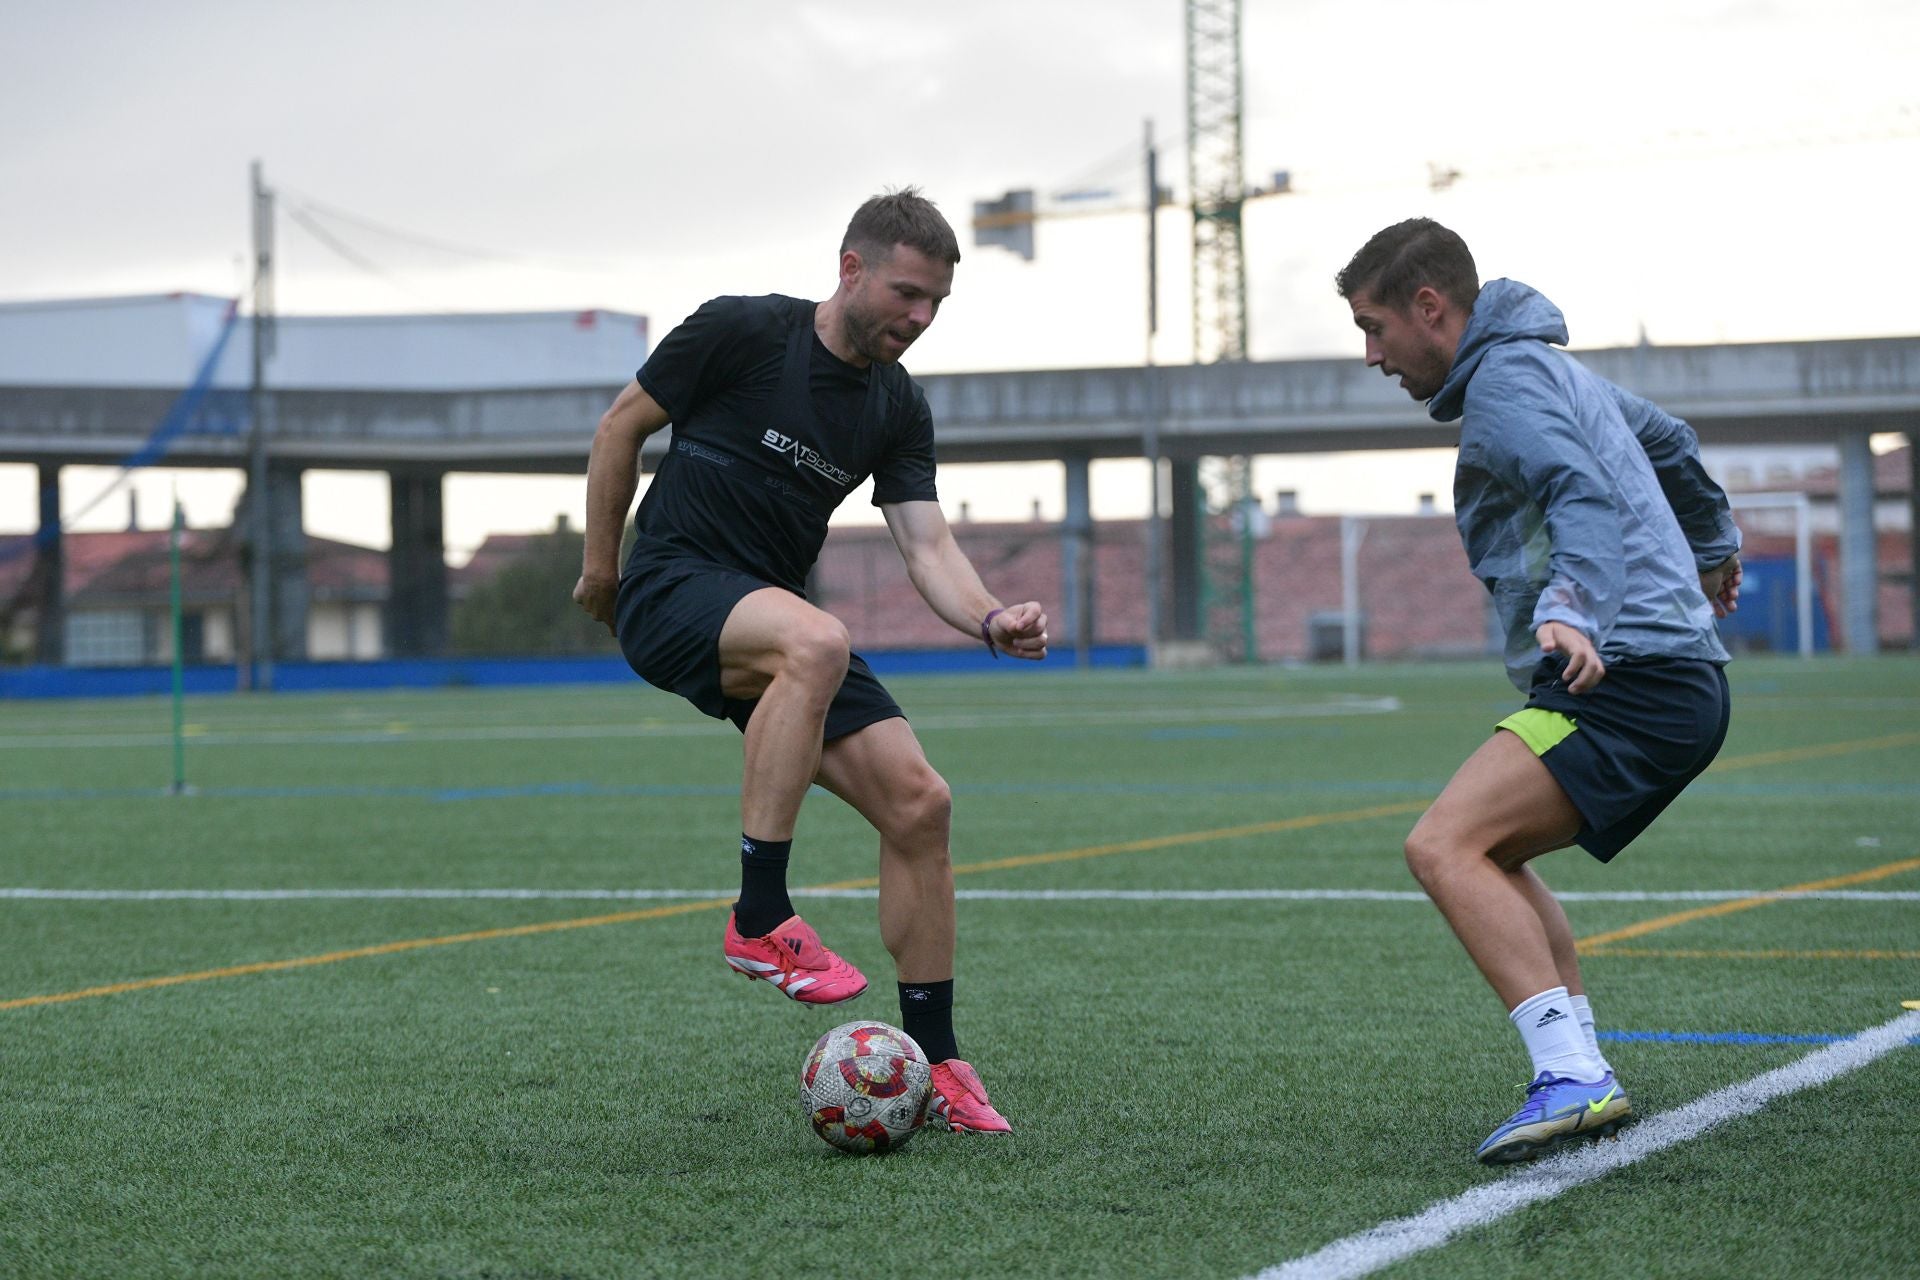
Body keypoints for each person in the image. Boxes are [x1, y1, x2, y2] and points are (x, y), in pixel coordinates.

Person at [573, 188, 1046, 1135]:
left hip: (775, 628)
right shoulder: (741, 332)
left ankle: (943, 1063)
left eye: (935, 306)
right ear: (851, 269)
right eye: (907, 294)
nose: (918, 320)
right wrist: (601, 572)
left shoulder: (896, 407)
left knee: (921, 803)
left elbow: (925, 546)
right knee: (817, 639)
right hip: (672, 588)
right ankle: (759, 918)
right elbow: (621, 425)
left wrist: (991, 617)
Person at [1335, 218, 1744, 1164]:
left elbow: (1580, 495)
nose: (1372, 355)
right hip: (1663, 675)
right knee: (1493, 852)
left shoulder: (1512, 385)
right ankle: (1580, 1068)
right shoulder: (1549, 371)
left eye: (1375, 327)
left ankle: (1573, 1078)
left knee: (1443, 845)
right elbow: (1670, 442)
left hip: (1626, 674)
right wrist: (1713, 544)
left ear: (1430, 308)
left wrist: (1577, 604)